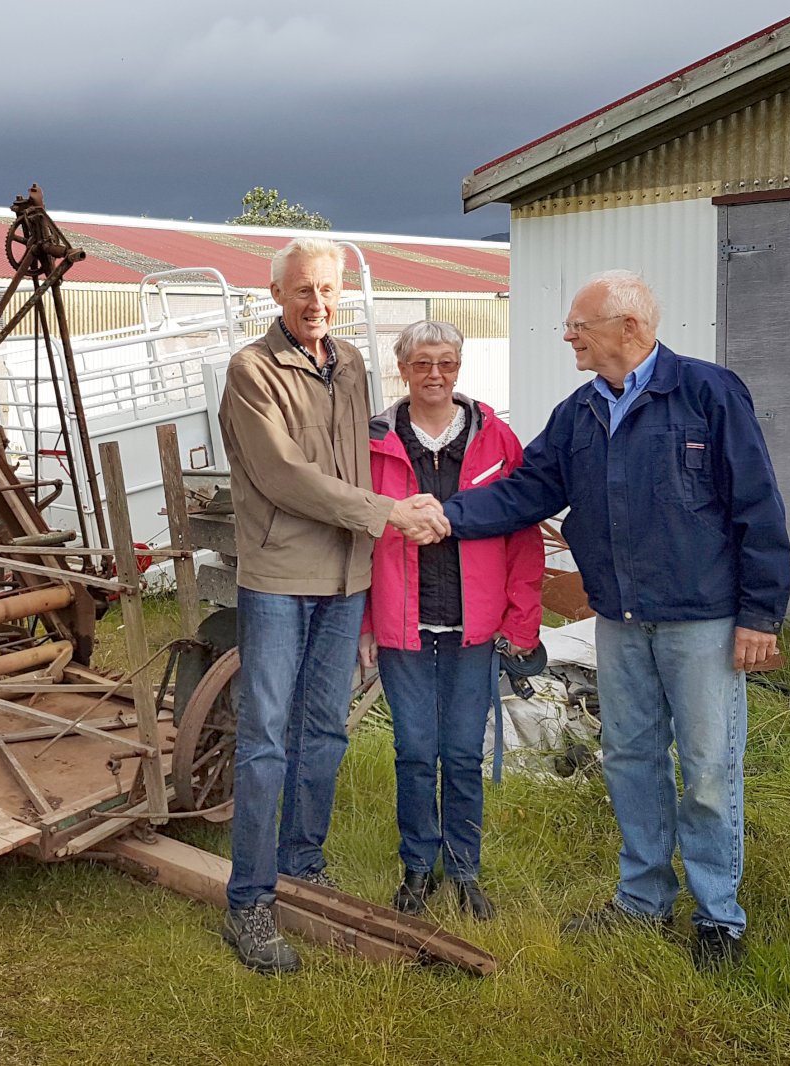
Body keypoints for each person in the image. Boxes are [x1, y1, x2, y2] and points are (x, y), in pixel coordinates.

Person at [411, 269, 790, 970]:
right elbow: (527, 490)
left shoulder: (708, 393)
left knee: (708, 771)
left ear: (629, 328)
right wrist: (446, 516)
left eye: (578, 326)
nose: (567, 337)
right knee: (632, 762)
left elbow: (757, 508)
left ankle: (718, 918)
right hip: (617, 620)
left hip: (701, 621)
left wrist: (760, 614)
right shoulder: (579, 413)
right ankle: (643, 902)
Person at [216, 237, 441, 975]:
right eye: (303, 289)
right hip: (281, 576)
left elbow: (363, 450)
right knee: (266, 739)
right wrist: (388, 513)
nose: (316, 302)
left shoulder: (349, 364)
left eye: (327, 290)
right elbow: (286, 477)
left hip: (345, 579)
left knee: (325, 731)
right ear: (277, 293)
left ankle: (302, 866)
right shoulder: (252, 371)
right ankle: (248, 902)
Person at [358, 319, 544, 921]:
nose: (434, 375)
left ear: (459, 368)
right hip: (403, 624)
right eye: (421, 364)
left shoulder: (497, 441)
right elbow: (357, 538)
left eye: (445, 363)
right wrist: (364, 622)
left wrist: (522, 620)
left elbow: (522, 534)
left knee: (462, 752)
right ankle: (417, 867)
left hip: (475, 627)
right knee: (414, 750)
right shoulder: (375, 442)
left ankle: (465, 869)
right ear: (403, 369)